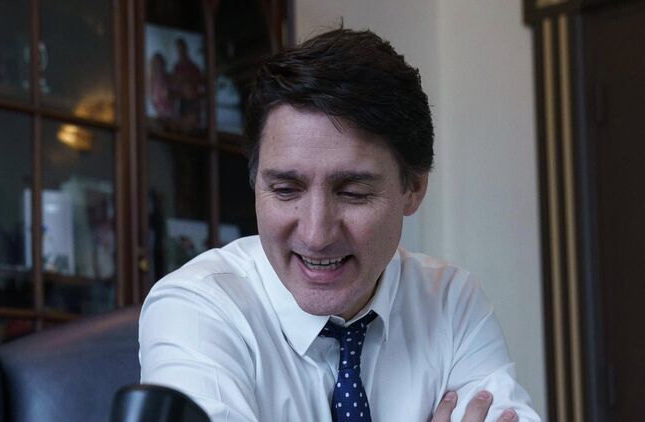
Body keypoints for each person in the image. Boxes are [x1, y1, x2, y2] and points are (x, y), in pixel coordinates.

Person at [139, 28, 541, 421]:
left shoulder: (450, 302)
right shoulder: (195, 309)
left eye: (353, 193)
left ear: (414, 188)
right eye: (285, 190)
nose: (316, 235)